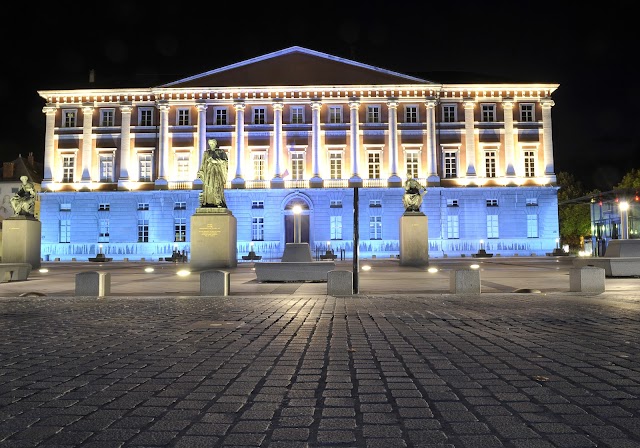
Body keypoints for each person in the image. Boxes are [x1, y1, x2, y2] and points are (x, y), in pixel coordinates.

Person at [197, 139, 228, 208]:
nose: (211, 145)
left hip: (217, 172)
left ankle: (218, 201)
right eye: (210, 144)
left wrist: (215, 161)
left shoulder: (221, 152)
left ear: (215, 144)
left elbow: (225, 162)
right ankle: (207, 202)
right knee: (208, 187)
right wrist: (200, 172)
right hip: (209, 173)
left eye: (213, 144)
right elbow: (203, 164)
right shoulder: (206, 153)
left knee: (216, 186)